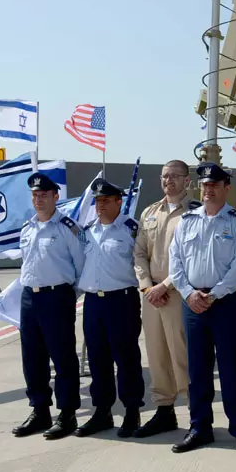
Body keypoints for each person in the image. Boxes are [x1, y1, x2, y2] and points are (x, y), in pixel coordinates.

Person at [168, 163, 236, 453]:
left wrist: (213, 294)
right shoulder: (187, 221)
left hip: (224, 304)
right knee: (197, 371)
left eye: (215, 184)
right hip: (192, 304)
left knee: (232, 369)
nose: (209, 189)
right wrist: (190, 293)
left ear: (226, 188)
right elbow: (175, 262)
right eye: (205, 185)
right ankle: (199, 427)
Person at [12, 172, 86, 440]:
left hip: (57, 297)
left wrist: (68, 295)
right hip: (29, 297)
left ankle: (67, 413)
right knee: (32, 357)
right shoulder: (27, 228)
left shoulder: (67, 228)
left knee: (63, 357)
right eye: (35, 195)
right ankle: (40, 409)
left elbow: (81, 265)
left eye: (44, 194)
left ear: (56, 196)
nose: (39, 199)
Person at [133, 160, 200, 438]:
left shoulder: (195, 213)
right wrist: (148, 287)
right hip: (152, 298)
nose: (168, 181)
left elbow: (192, 257)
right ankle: (164, 411)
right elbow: (139, 253)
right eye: (164, 176)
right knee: (157, 355)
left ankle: (196, 416)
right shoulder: (150, 212)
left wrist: (165, 285)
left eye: (174, 176)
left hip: (178, 294)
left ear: (187, 180)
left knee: (182, 355)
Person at [75, 178, 146, 439]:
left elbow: (142, 261)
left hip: (121, 301)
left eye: (106, 200)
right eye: (97, 201)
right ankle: (102, 411)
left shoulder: (131, 229)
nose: (100, 205)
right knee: (97, 359)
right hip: (93, 302)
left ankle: (131, 411)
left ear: (119, 201)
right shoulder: (88, 230)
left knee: (126, 358)